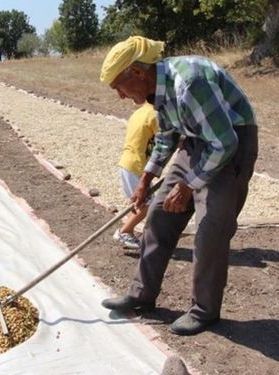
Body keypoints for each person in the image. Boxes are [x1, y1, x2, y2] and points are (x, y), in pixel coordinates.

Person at [99, 36, 258, 336]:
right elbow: (167, 135)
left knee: (210, 230)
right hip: (198, 140)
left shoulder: (190, 83)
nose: (120, 95)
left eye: (119, 86)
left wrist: (189, 185)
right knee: (158, 213)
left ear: (137, 73)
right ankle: (141, 294)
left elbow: (224, 144)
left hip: (232, 141)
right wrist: (146, 179)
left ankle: (204, 311)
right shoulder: (157, 90)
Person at [113, 102, 158, 250]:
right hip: (136, 165)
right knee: (147, 205)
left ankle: (128, 228)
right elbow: (167, 139)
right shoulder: (155, 114)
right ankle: (124, 231)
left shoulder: (141, 111)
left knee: (141, 203)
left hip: (130, 162)